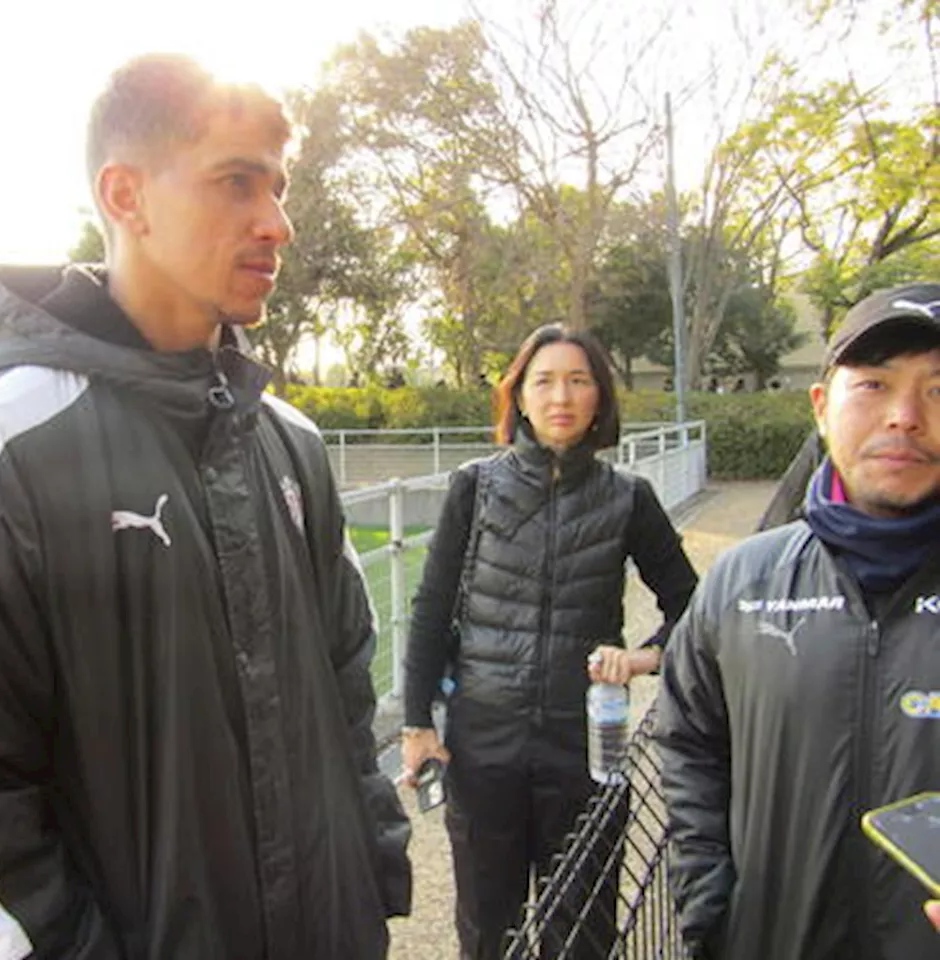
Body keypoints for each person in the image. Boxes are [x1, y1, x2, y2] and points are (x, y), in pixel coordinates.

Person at [0, 54, 410, 959]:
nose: (277, 222)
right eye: (237, 182)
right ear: (125, 195)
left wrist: (372, 883)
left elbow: (348, 690)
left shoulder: (290, 444)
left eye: (278, 187)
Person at [658, 281, 940, 960]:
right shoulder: (741, 581)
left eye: (939, 388)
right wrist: (710, 910)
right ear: (821, 407)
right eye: (873, 385)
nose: (904, 415)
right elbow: (689, 744)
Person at [401, 324, 698, 960]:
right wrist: (415, 721)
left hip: (586, 744)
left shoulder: (628, 498)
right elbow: (429, 609)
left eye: (578, 380)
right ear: (521, 397)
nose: (560, 395)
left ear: (599, 398)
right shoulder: (475, 486)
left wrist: (641, 658)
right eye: (544, 381)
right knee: (488, 926)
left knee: (583, 926)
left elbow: (695, 613)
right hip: (484, 742)